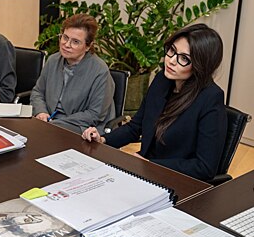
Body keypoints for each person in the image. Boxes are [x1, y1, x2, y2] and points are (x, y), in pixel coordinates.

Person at [82, 23, 227, 181]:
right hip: (144, 172)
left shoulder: (211, 98)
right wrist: (103, 140)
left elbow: (204, 167)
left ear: (201, 66)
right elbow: (135, 127)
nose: (171, 60)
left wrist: (150, 165)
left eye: (184, 58)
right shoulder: (162, 80)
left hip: (176, 181)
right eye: (172, 50)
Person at [30, 13, 115, 134]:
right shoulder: (53, 60)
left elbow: (94, 114)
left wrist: (56, 124)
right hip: (48, 122)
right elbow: (38, 92)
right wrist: (41, 112)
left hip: (81, 128)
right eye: (65, 37)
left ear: (88, 46)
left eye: (75, 41)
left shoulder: (100, 71)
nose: (67, 44)